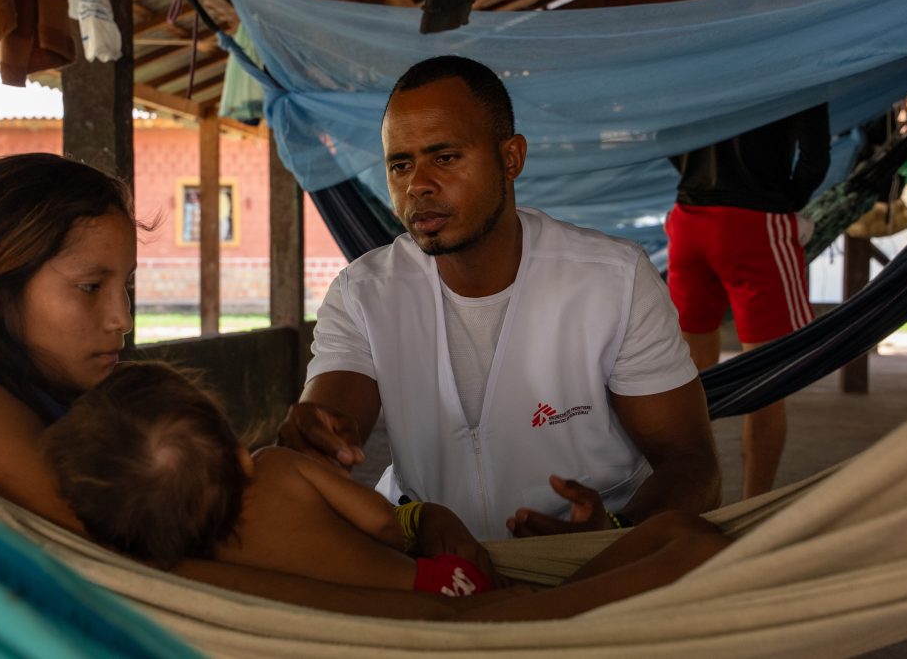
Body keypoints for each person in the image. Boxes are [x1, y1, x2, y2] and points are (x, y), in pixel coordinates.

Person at [0, 152, 730, 622]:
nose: (122, 318)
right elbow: (129, 568)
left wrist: (409, 525)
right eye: (92, 288)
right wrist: (347, 609)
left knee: (625, 561)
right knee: (562, 603)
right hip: (332, 609)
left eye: (125, 286)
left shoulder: (603, 275)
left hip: (378, 581)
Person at [278, 55, 721, 541]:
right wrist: (317, 434)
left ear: (511, 158)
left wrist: (614, 531)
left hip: (599, 558)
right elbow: (335, 414)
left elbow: (693, 466)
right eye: (400, 164)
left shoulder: (614, 281)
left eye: (444, 157)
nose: (417, 184)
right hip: (431, 554)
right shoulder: (364, 292)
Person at [43, 360, 495, 596]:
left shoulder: (206, 565)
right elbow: (383, 525)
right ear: (240, 457)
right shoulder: (276, 467)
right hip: (442, 588)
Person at [666, 0, 831, 499]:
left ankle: (698, 502)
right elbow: (817, 155)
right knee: (769, 380)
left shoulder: (694, 66)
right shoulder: (798, 59)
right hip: (754, 225)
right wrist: (784, 199)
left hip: (688, 221)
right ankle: (750, 507)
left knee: (692, 380)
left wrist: (693, 171)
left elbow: (666, 133)